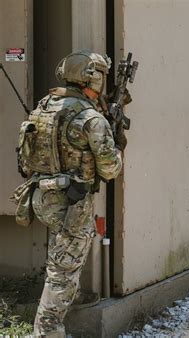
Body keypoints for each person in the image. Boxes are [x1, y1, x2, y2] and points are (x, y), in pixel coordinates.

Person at [11, 50, 127, 336]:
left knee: (61, 264)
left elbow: (26, 161)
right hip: (71, 204)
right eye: (100, 74)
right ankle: (47, 331)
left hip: (41, 196)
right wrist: (119, 146)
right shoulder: (91, 119)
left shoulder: (43, 108)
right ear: (91, 77)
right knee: (61, 274)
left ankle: (56, 315)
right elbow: (110, 170)